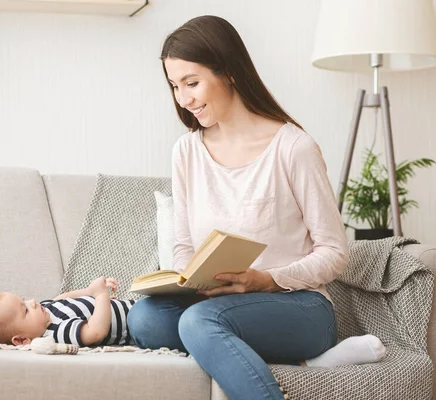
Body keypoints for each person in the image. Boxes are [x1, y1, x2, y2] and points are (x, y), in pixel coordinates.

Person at [126, 15, 385, 400]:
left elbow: (334, 253)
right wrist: (189, 279)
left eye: (192, 83)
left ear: (228, 71)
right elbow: (183, 244)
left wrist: (264, 280)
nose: (184, 99)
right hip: (220, 304)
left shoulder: (293, 148)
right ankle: (301, 362)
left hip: (299, 306)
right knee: (144, 318)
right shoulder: (186, 152)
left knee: (200, 322)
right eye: (175, 86)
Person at [0, 277, 135, 348]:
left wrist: (90, 290)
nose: (32, 302)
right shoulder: (55, 333)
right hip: (135, 325)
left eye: (24, 299)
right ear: (22, 340)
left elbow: (64, 297)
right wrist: (101, 296)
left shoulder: (45, 310)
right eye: (25, 310)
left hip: (132, 305)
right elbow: (96, 332)